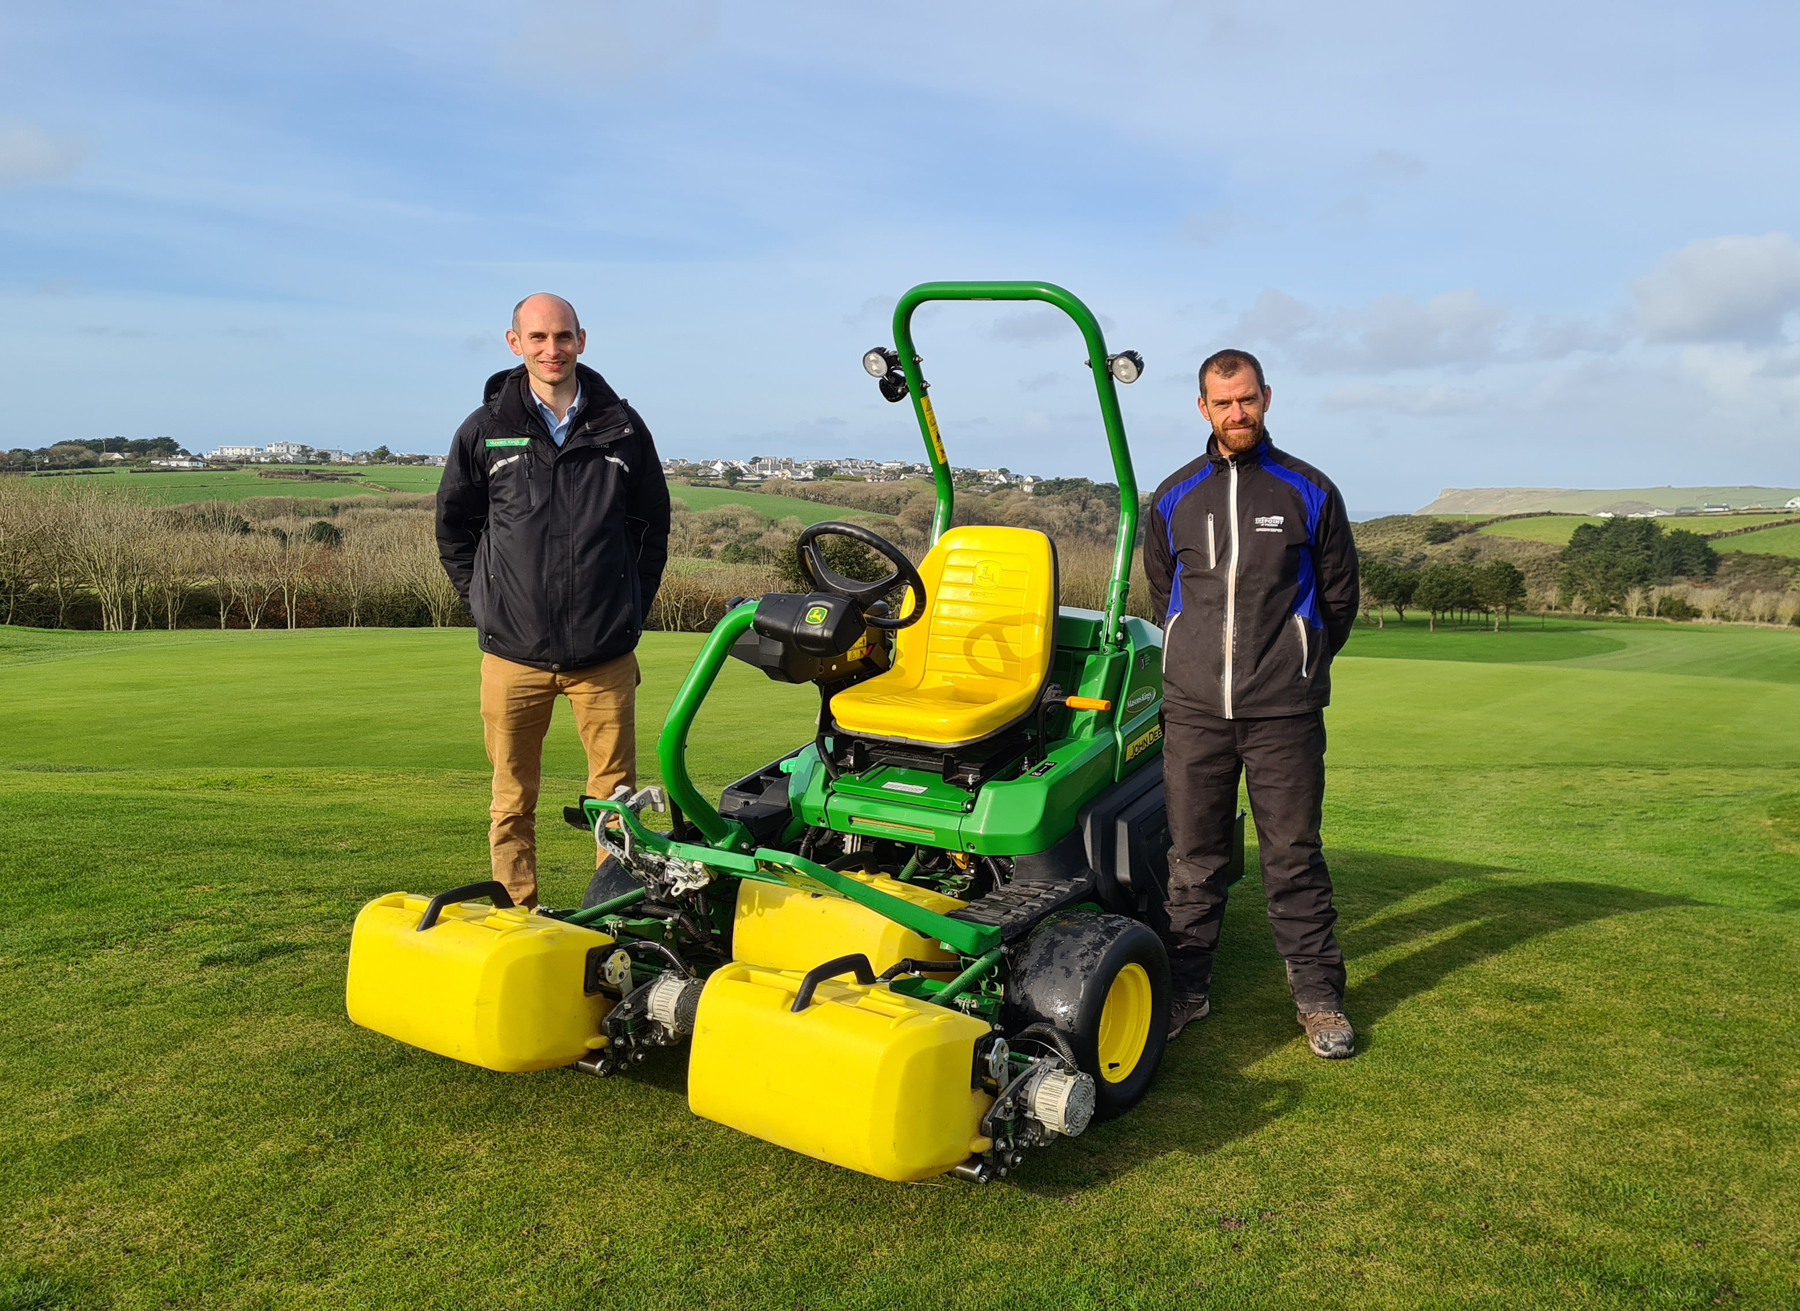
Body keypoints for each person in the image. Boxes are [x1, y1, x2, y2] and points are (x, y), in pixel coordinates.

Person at [1144, 348, 1360, 1058]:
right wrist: (1197, 665)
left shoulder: (1310, 490)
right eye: (1223, 402)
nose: (1236, 413)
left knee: (1293, 856)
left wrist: (1296, 662)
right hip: (1195, 711)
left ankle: (1318, 998)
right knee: (1193, 860)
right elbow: (1165, 595)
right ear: (1202, 408)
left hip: (1284, 713)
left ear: (1266, 397)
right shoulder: (1173, 496)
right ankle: (1185, 990)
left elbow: (1338, 600)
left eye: (1247, 399)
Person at [437, 293, 670, 907]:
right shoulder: (485, 429)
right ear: (515, 343)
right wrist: (486, 604)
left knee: (616, 802)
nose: (552, 349)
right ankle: (518, 916)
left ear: (581, 341)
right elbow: (455, 529)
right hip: (512, 655)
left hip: (604, 654)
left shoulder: (623, 427)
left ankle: (612, 915)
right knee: (511, 799)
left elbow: (652, 528)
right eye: (538, 337)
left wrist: (629, 609)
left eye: (563, 336)